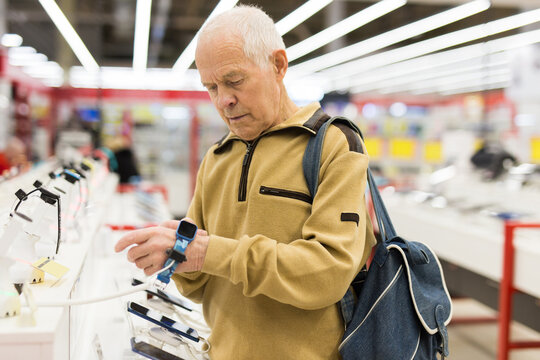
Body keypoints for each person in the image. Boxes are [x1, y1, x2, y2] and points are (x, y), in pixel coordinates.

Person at [115, 5, 376, 359]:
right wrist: (175, 256)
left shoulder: (332, 144)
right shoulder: (217, 158)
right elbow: (199, 286)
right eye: (211, 87)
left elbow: (326, 274)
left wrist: (209, 251)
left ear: (278, 65)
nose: (224, 100)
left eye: (234, 80)